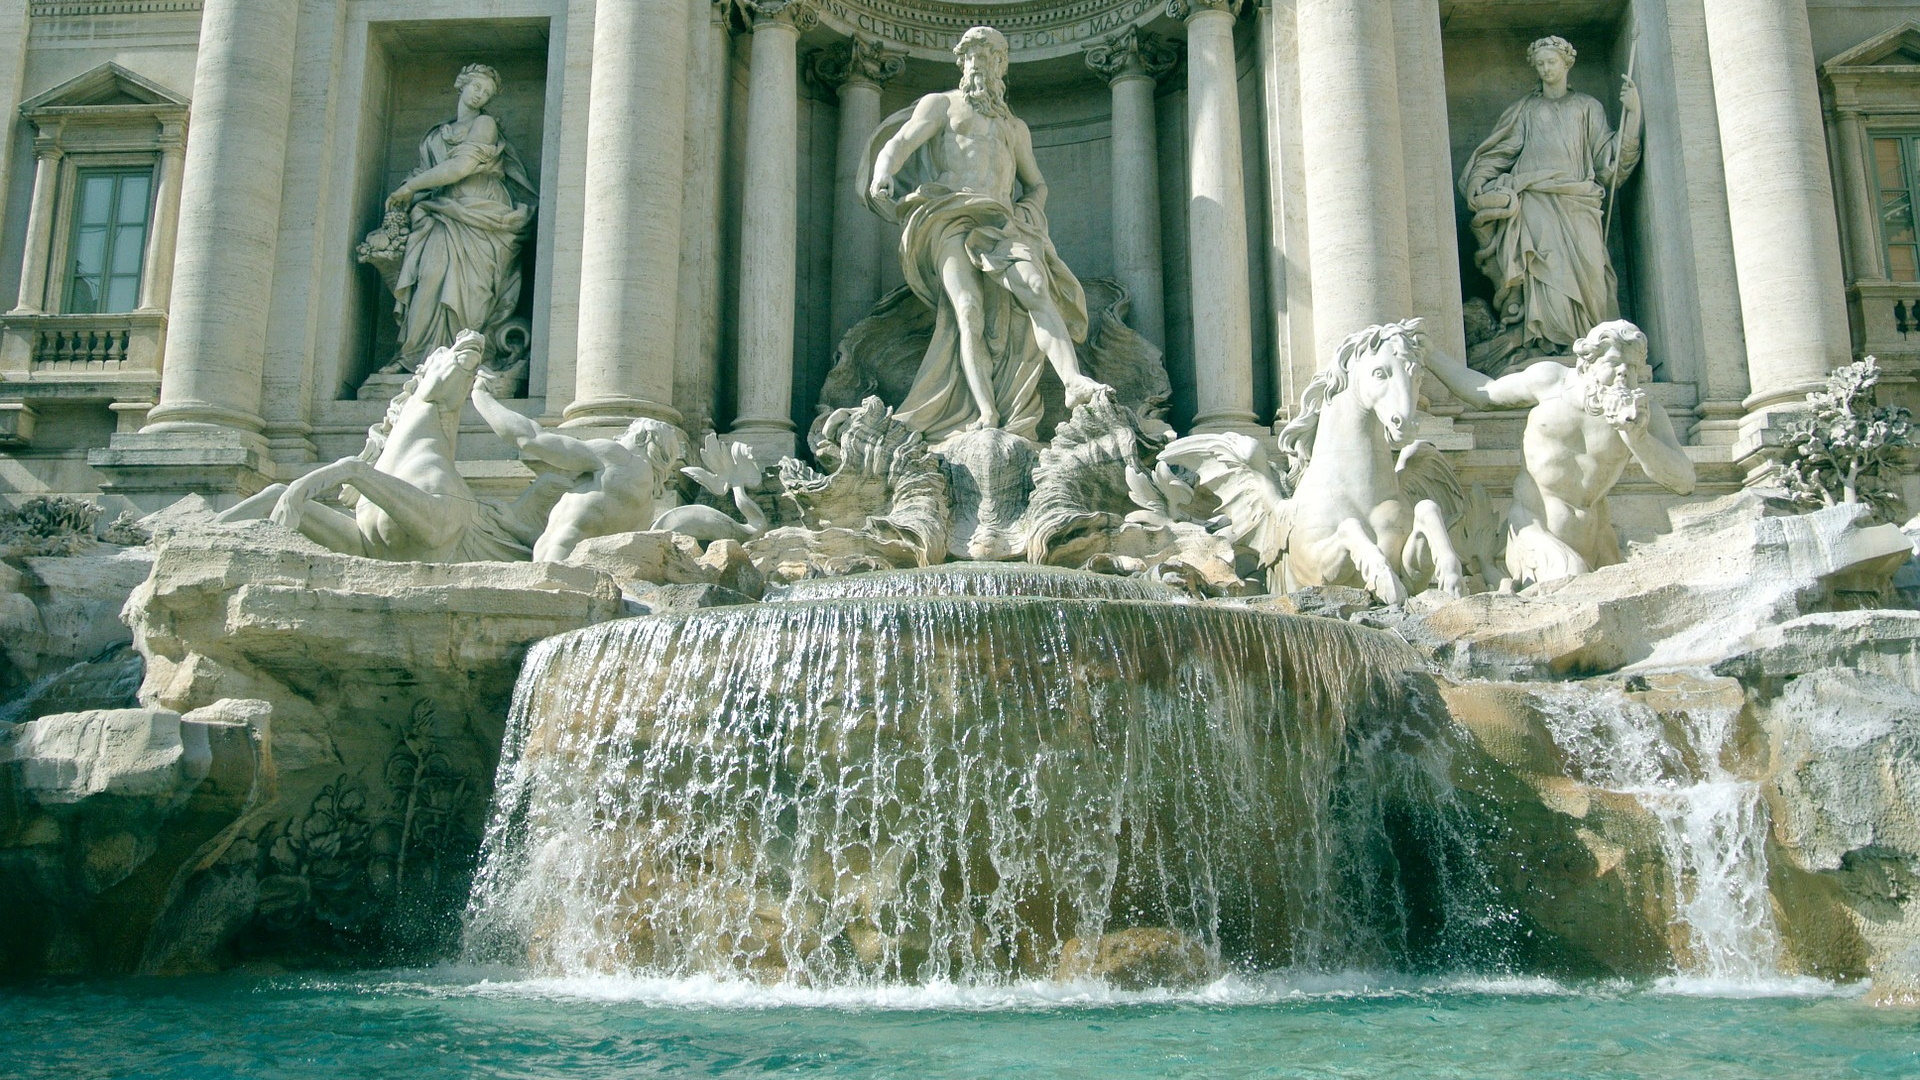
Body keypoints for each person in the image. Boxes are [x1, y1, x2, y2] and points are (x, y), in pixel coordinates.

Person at [863, 26, 1108, 444]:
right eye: (972, 55)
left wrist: (1028, 215)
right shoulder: (941, 105)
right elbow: (902, 141)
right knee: (968, 310)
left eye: (989, 55)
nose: (980, 62)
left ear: (1001, 65)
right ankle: (986, 412)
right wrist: (883, 172)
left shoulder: (1014, 128)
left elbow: (1037, 185)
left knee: (1036, 288)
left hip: (1001, 222)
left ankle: (1073, 383)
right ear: (962, 63)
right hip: (948, 217)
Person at [1421, 320, 1696, 586]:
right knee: (1573, 579)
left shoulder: (1647, 414)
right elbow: (1483, 394)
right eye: (1613, 363)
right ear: (1587, 364)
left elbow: (1684, 482)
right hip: (1535, 529)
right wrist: (1429, 354)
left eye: (1632, 366)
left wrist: (1638, 438)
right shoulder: (1551, 381)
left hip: (1597, 538)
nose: (1624, 373)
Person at [1460, 36, 1640, 371]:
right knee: (1545, 272)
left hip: (1579, 201)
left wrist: (1633, 114)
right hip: (1536, 200)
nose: (1546, 69)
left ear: (1566, 63)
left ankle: (1588, 343)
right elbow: (1500, 153)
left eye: (1551, 62)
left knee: (1591, 273)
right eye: (1540, 64)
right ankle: (1547, 344)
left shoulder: (1588, 107)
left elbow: (1609, 162)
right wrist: (1478, 181)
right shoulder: (1526, 110)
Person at [383, 63, 537, 371]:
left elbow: (460, 168)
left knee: (472, 292)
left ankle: (461, 360)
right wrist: (407, 193)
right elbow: (427, 171)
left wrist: (412, 186)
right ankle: (416, 356)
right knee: (428, 278)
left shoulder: (485, 125)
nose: (480, 95)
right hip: (442, 212)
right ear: (461, 84)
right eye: (476, 86)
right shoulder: (435, 135)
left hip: (483, 215)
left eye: (487, 92)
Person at [470, 373, 680, 563]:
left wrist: (481, 397)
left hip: (555, 570)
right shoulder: (646, 508)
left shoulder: (617, 457)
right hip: (568, 571)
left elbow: (531, 439)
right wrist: (514, 527)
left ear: (642, 437)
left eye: (626, 433)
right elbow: (573, 535)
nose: (618, 437)